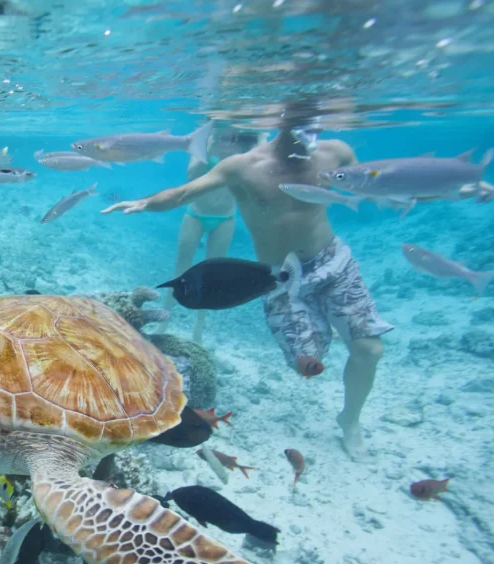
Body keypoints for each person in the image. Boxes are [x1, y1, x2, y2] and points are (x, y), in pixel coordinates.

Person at [103, 115, 391, 459]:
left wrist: (424, 189)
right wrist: (146, 202)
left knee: (369, 350)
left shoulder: (337, 152)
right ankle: (326, 325)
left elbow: (366, 183)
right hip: (278, 276)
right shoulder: (242, 166)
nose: (309, 126)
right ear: (278, 121)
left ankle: (350, 420)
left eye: (314, 118)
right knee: (306, 364)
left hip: (333, 262)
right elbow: (184, 193)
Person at [160, 128, 265, 342]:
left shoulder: (246, 149)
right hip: (195, 214)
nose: (228, 142)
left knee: (213, 275)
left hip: (225, 219)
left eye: (232, 137)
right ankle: (164, 320)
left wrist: (261, 137)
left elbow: (262, 159)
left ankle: (199, 327)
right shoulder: (201, 143)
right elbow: (192, 174)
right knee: (180, 269)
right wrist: (209, 143)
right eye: (223, 136)